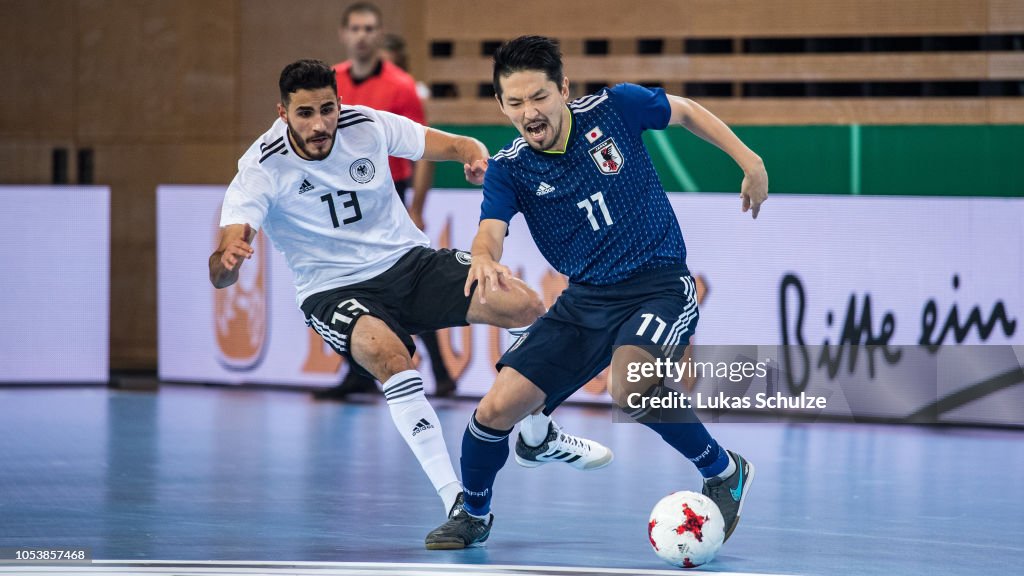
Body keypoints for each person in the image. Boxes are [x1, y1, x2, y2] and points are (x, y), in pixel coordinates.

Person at [209, 58, 612, 520]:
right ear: (283, 114)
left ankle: (537, 434)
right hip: (332, 288)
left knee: (526, 305)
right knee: (390, 357)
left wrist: (475, 158)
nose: (320, 124)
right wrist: (228, 263)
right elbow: (223, 263)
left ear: (340, 103)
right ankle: (456, 500)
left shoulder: (367, 125)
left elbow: (458, 144)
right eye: (305, 114)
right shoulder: (260, 167)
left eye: (327, 109)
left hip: (409, 263)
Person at [425, 36, 768, 550]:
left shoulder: (616, 108)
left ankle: (724, 472)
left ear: (563, 89)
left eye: (539, 97)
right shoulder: (510, 168)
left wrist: (749, 159)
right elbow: (490, 229)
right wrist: (482, 256)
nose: (529, 113)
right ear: (501, 105)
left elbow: (687, 112)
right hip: (584, 300)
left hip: (658, 285)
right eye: (515, 103)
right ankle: (474, 513)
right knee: (494, 411)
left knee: (630, 387)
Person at [317, 2, 454, 399]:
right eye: (355, 28)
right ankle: (360, 371)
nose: (362, 35)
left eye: (369, 28)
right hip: (339, 196)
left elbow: (422, 147)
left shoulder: (401, 86)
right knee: (338, 281)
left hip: (387, 194)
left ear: (379, 34)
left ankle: (440, 372)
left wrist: (417, 207)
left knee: (402, 283)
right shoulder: (330, 80)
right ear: (344, 34)